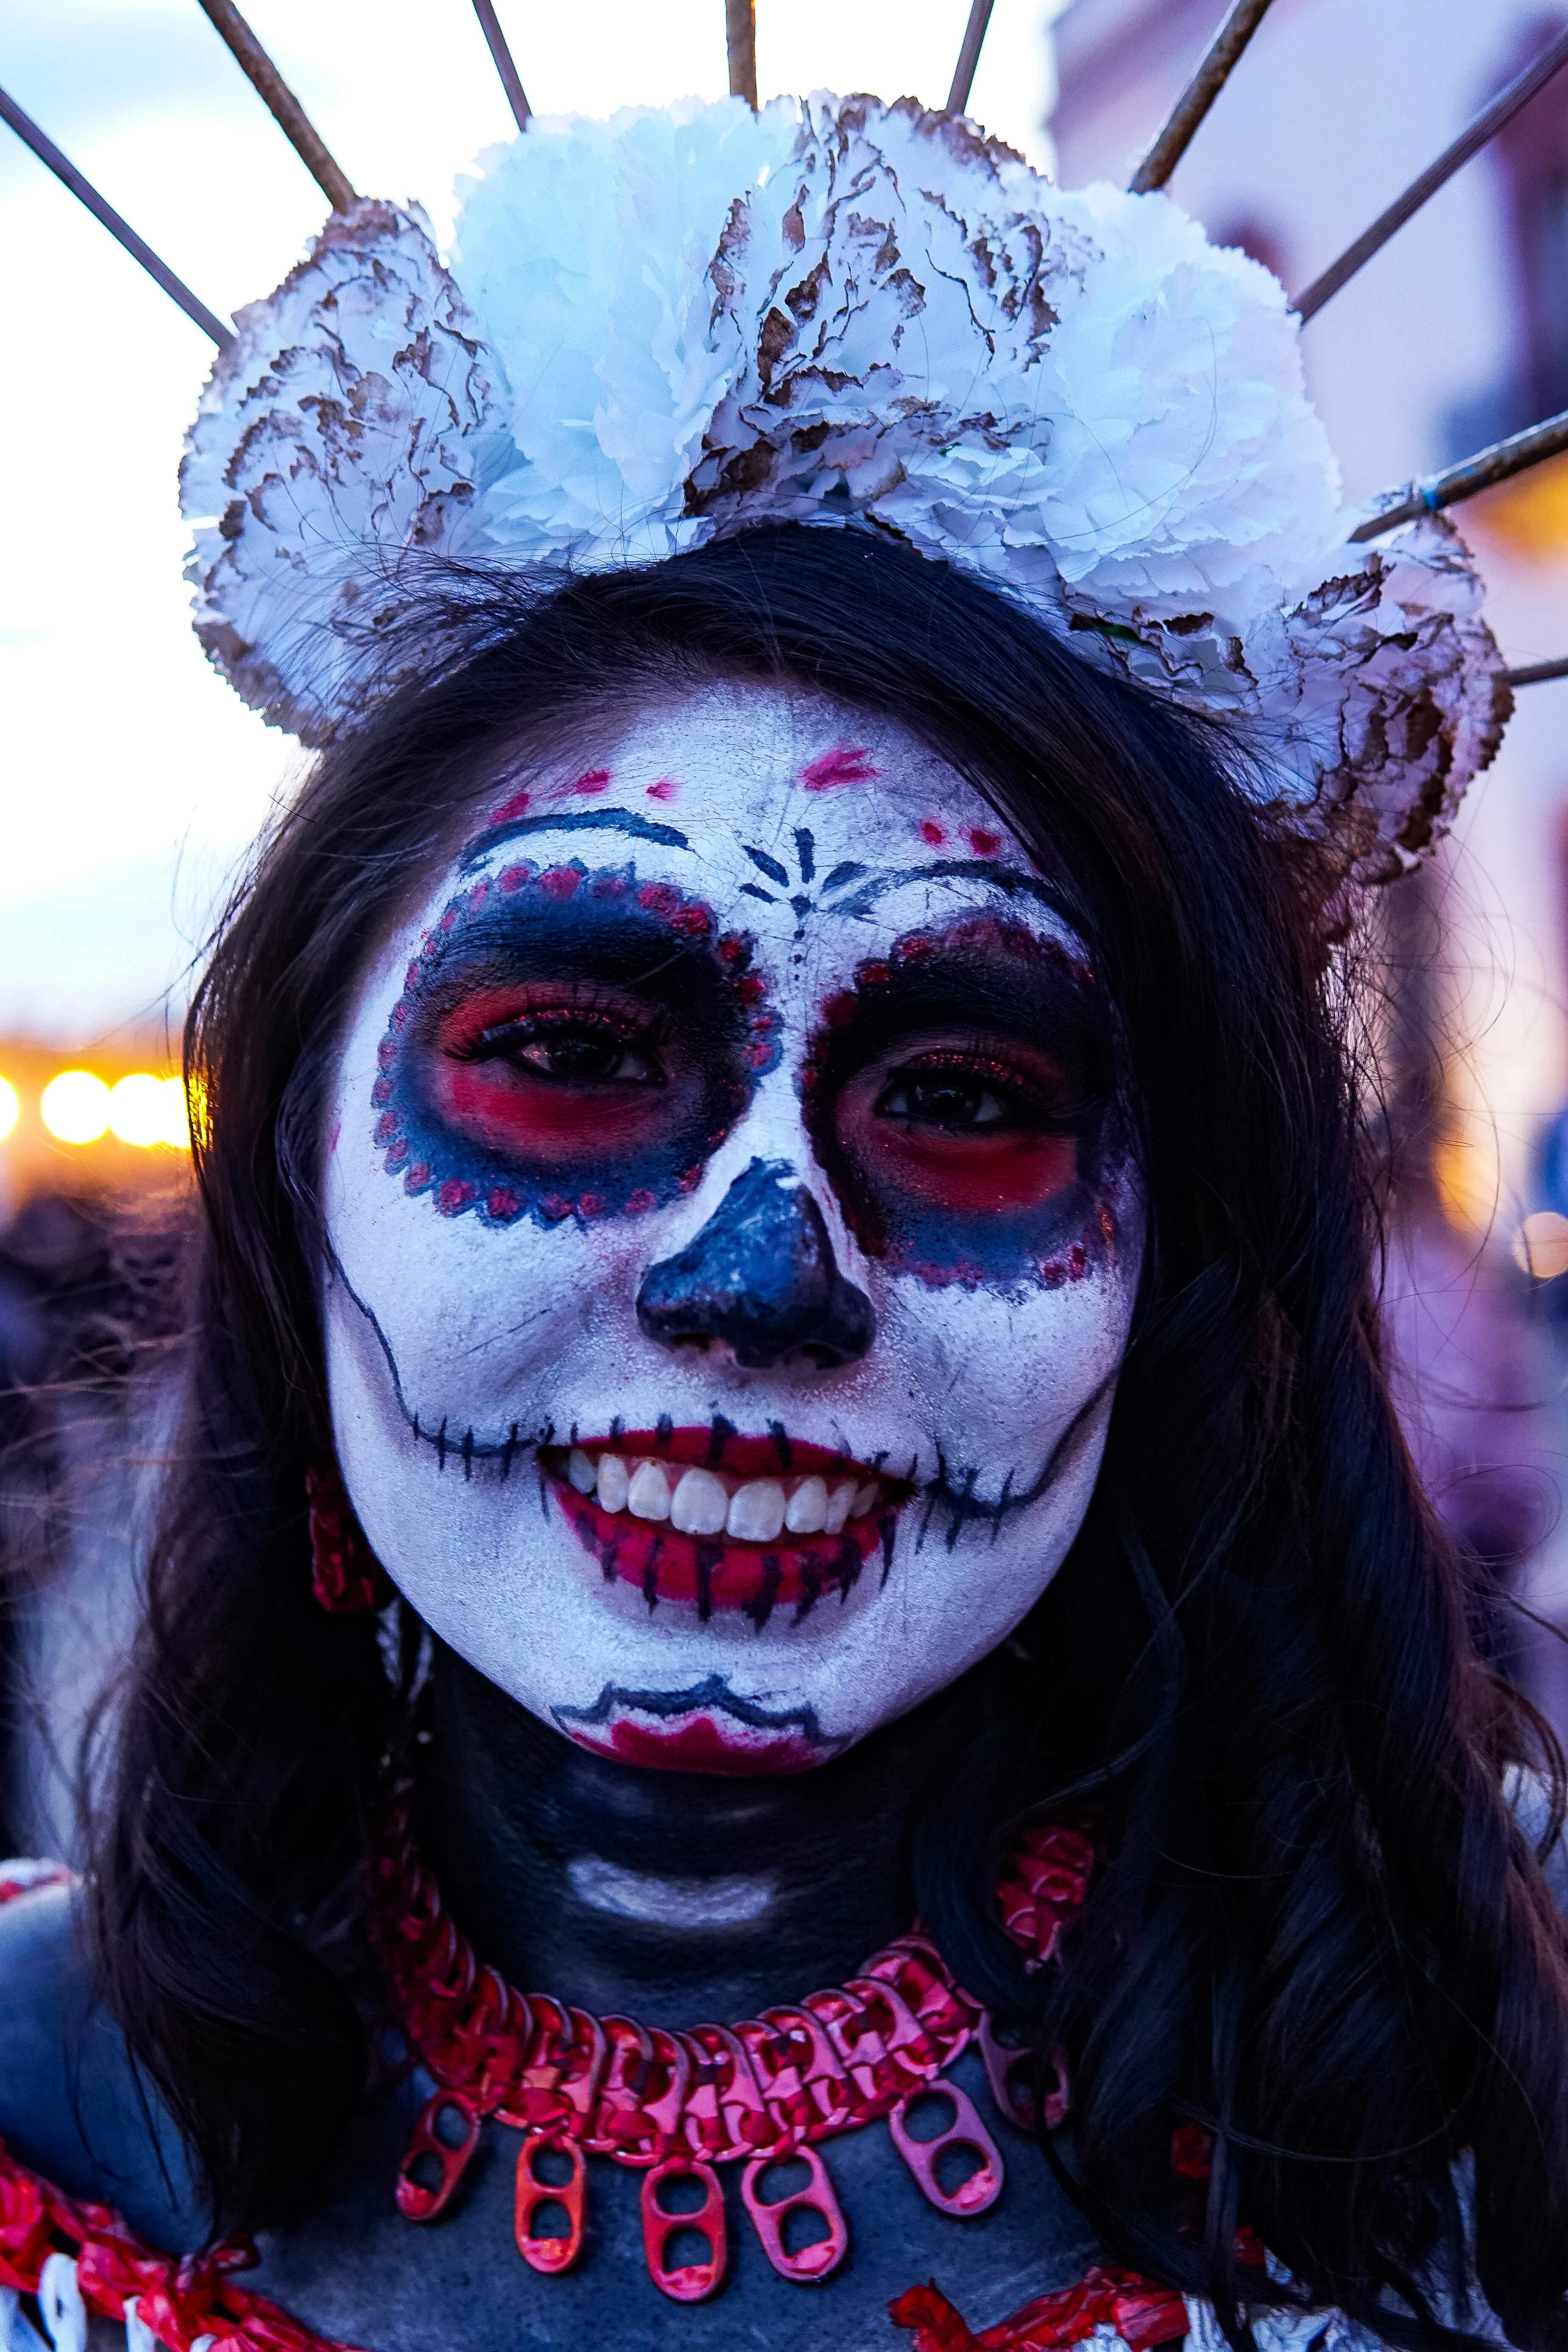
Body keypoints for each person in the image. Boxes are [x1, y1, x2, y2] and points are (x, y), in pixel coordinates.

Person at [2, 93, 1565, 2352]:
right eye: (569, 1054)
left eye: (967, 1100)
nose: (760, 1275)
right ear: (292, 1170)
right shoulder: (38, 2116)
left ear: (1173, 1266)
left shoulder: (1465, 2128)